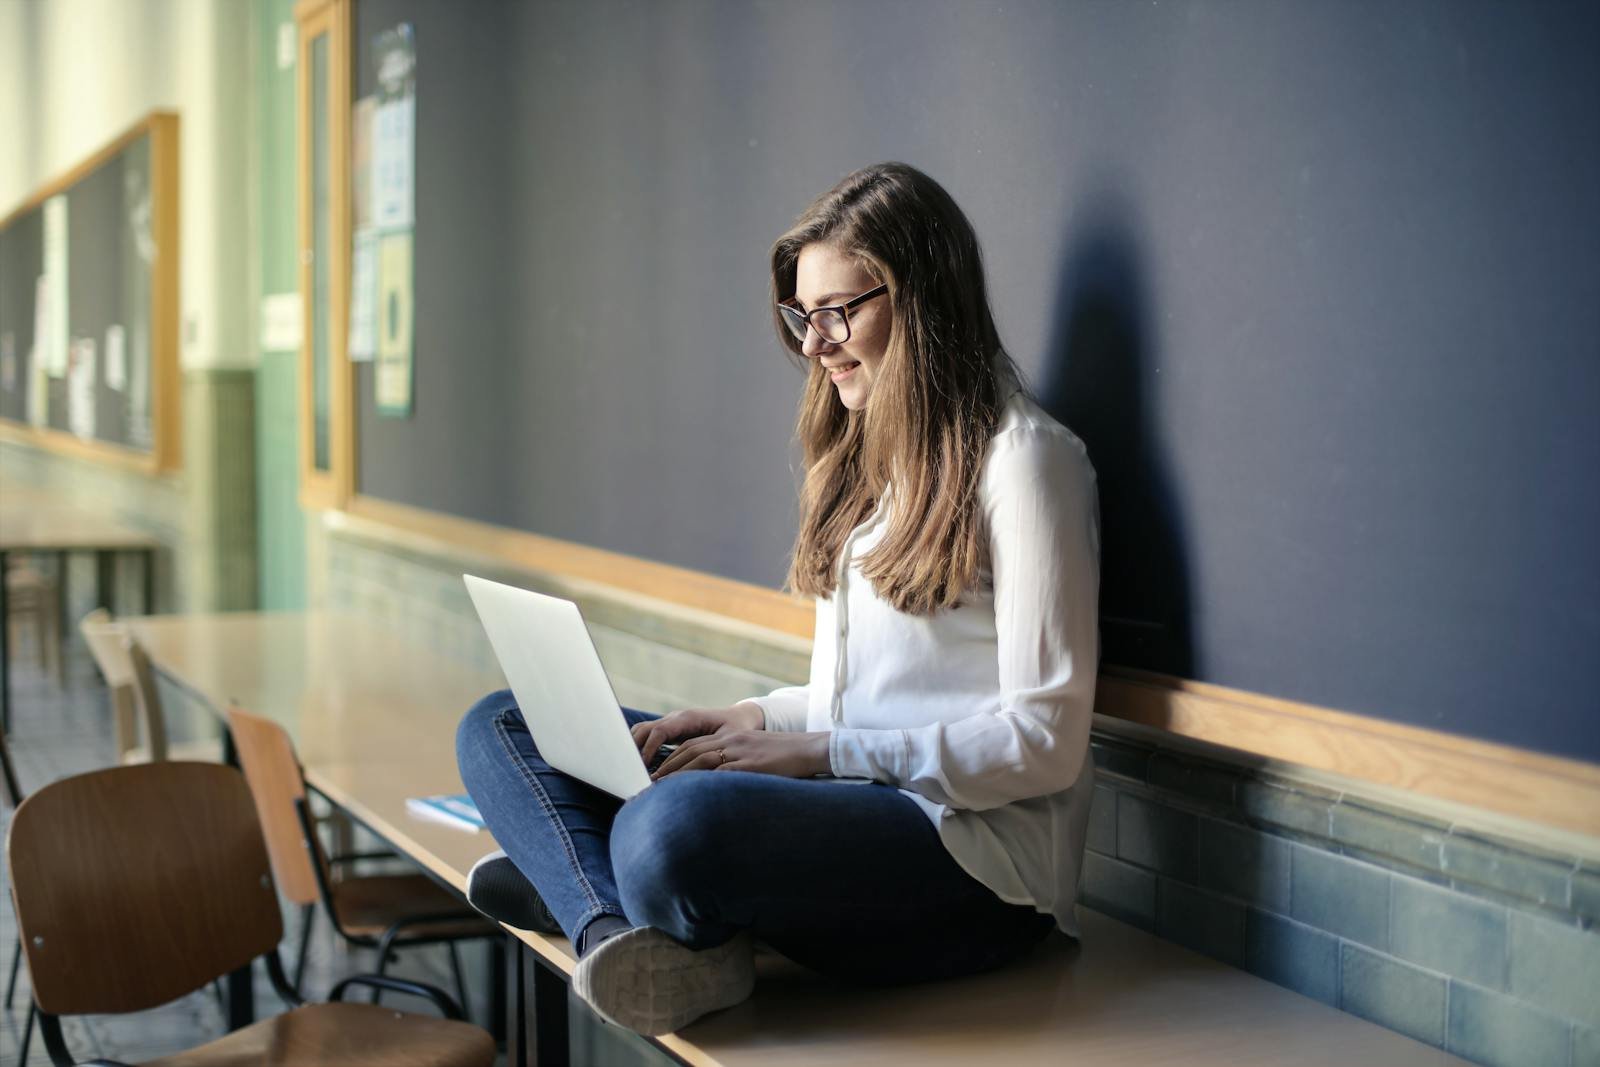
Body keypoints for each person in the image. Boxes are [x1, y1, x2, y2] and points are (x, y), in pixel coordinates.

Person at [455, 161, 1101, 1037]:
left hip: (976, 868)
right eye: (803, 315)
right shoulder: (872, 466)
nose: (812, 343)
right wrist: (745, 717)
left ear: (923, 299)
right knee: (501, 722)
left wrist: (820, 756)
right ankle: (622, 933)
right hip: (855, 802)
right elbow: (854, 701)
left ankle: (589, 883)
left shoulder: (1028, 462)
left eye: (839, 311)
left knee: (672, 826)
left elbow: (1046, 745)